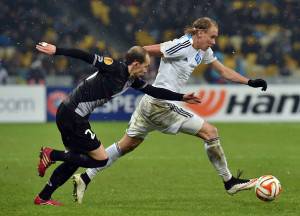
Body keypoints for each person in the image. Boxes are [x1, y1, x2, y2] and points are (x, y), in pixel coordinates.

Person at [73, 17, 268, 204]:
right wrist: (122, 70)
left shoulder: (202, 50)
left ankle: (85, 177)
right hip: (161, 106)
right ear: (200, 33)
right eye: (212, 36)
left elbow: (224, 71)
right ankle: (229, 182)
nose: (214, 41)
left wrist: (249, 81)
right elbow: (142, 50)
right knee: (210, 132)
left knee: (126, 145)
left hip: (149, 103)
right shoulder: (181, 45)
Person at [33, 42, 201, 206]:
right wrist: (56, 50)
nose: (147, 69)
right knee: (100, 160)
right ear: (135, 63)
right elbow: (85, 55)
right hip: (73, 115)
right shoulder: (113, 67)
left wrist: (182, 97)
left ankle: (43, 196)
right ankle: (51, 154)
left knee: (74, 160)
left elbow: (154, 91)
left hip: (72, 115)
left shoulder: (131, 79)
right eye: (145, 66)